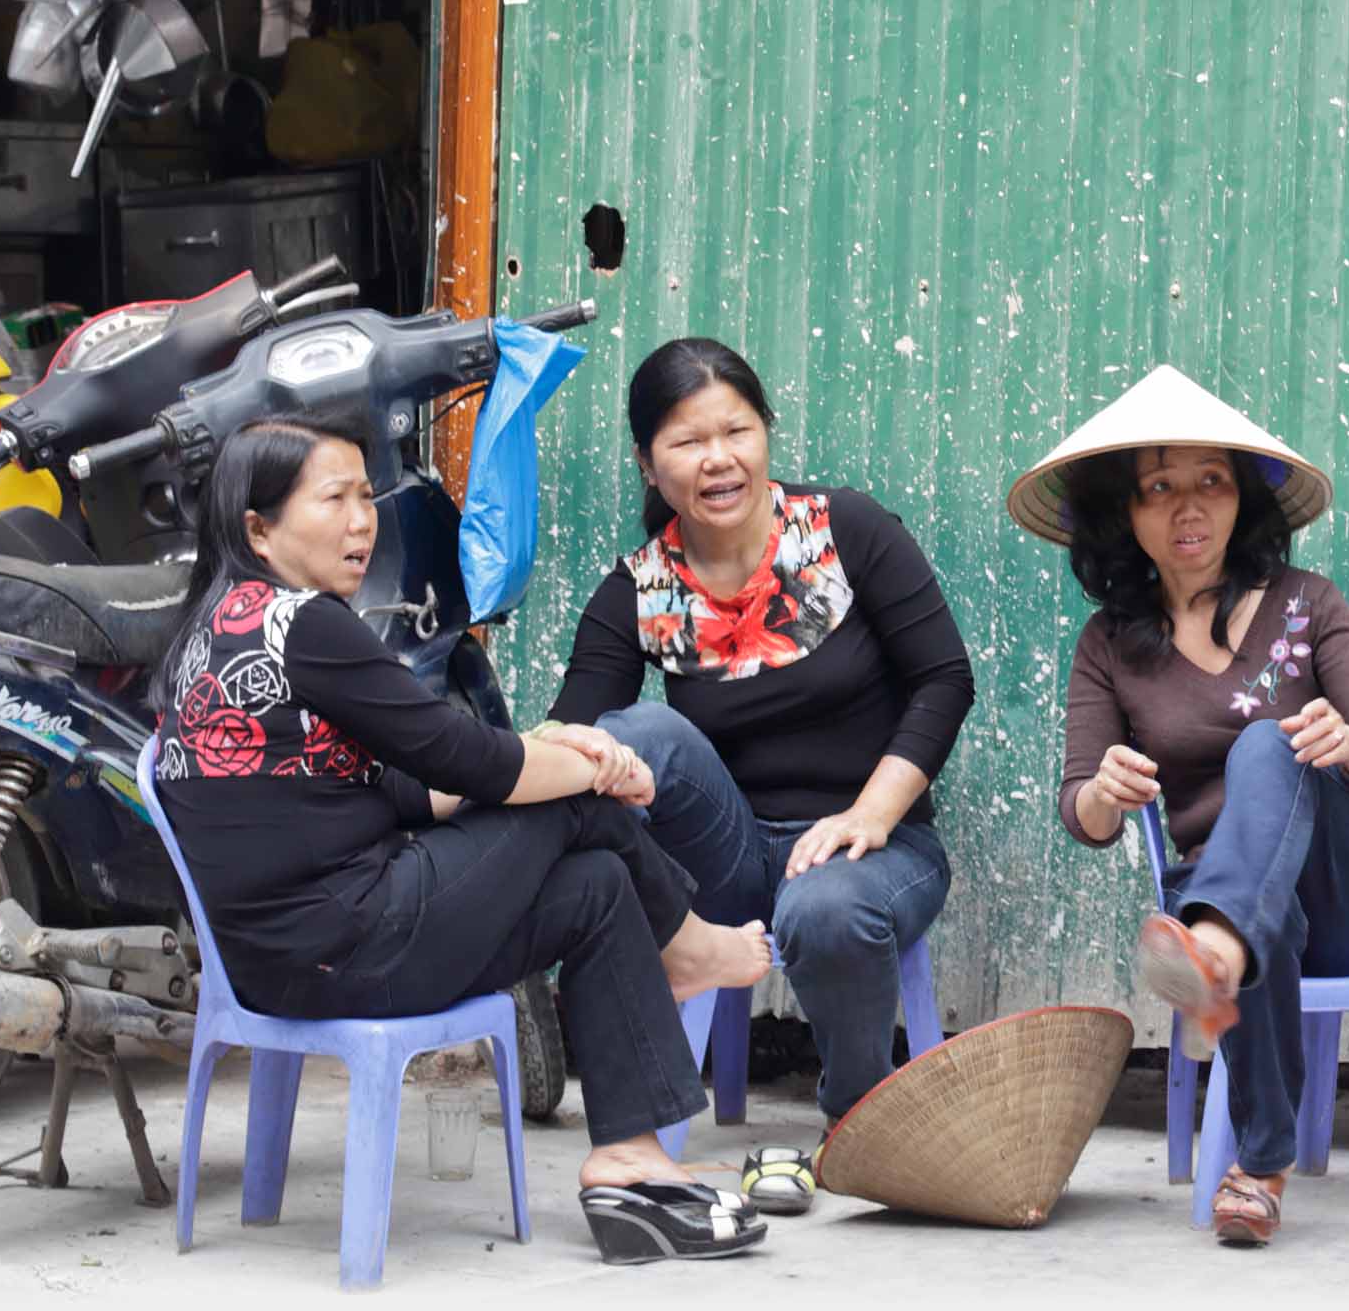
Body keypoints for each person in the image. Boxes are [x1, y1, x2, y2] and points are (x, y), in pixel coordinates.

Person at [151, 414, 776, 1265]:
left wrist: (567, 752)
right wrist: (588, 766)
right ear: (258, 529)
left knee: (593, 884)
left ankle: (629, 1159)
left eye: (366, 496)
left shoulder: (211, 627)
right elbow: (475, 762)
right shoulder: (305, 626)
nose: (362, 520)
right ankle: (691, 945)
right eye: (333, 499)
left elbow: (403, 784)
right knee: (572, 810)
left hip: (288, 959)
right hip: (351, 941)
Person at [543, 338, 975, 1216]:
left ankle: (857, 1119)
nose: (717, 459)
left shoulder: (847, 531)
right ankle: (668, 959)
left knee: (825, 906)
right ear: (648, 463)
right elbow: (579, 737)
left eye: (735, 430)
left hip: (876, 846)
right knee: (628, 737)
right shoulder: (637, 590)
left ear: (765, 433)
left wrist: (874, 812)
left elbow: (944, 677)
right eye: (686, 441)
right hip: (730, 857)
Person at [1011, 365, 1349, 1249]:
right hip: (1243, 896)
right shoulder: (1110, 645)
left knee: (1267, 746)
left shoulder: (1309, 605)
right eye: (1159, 487)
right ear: (1127, 513)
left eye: (1211, 482)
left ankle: (1216, 953)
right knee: (1252, 910)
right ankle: (1261, 1167)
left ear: (1245, 501)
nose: (1187, 509)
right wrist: (1103, 792)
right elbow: (1081, 813)